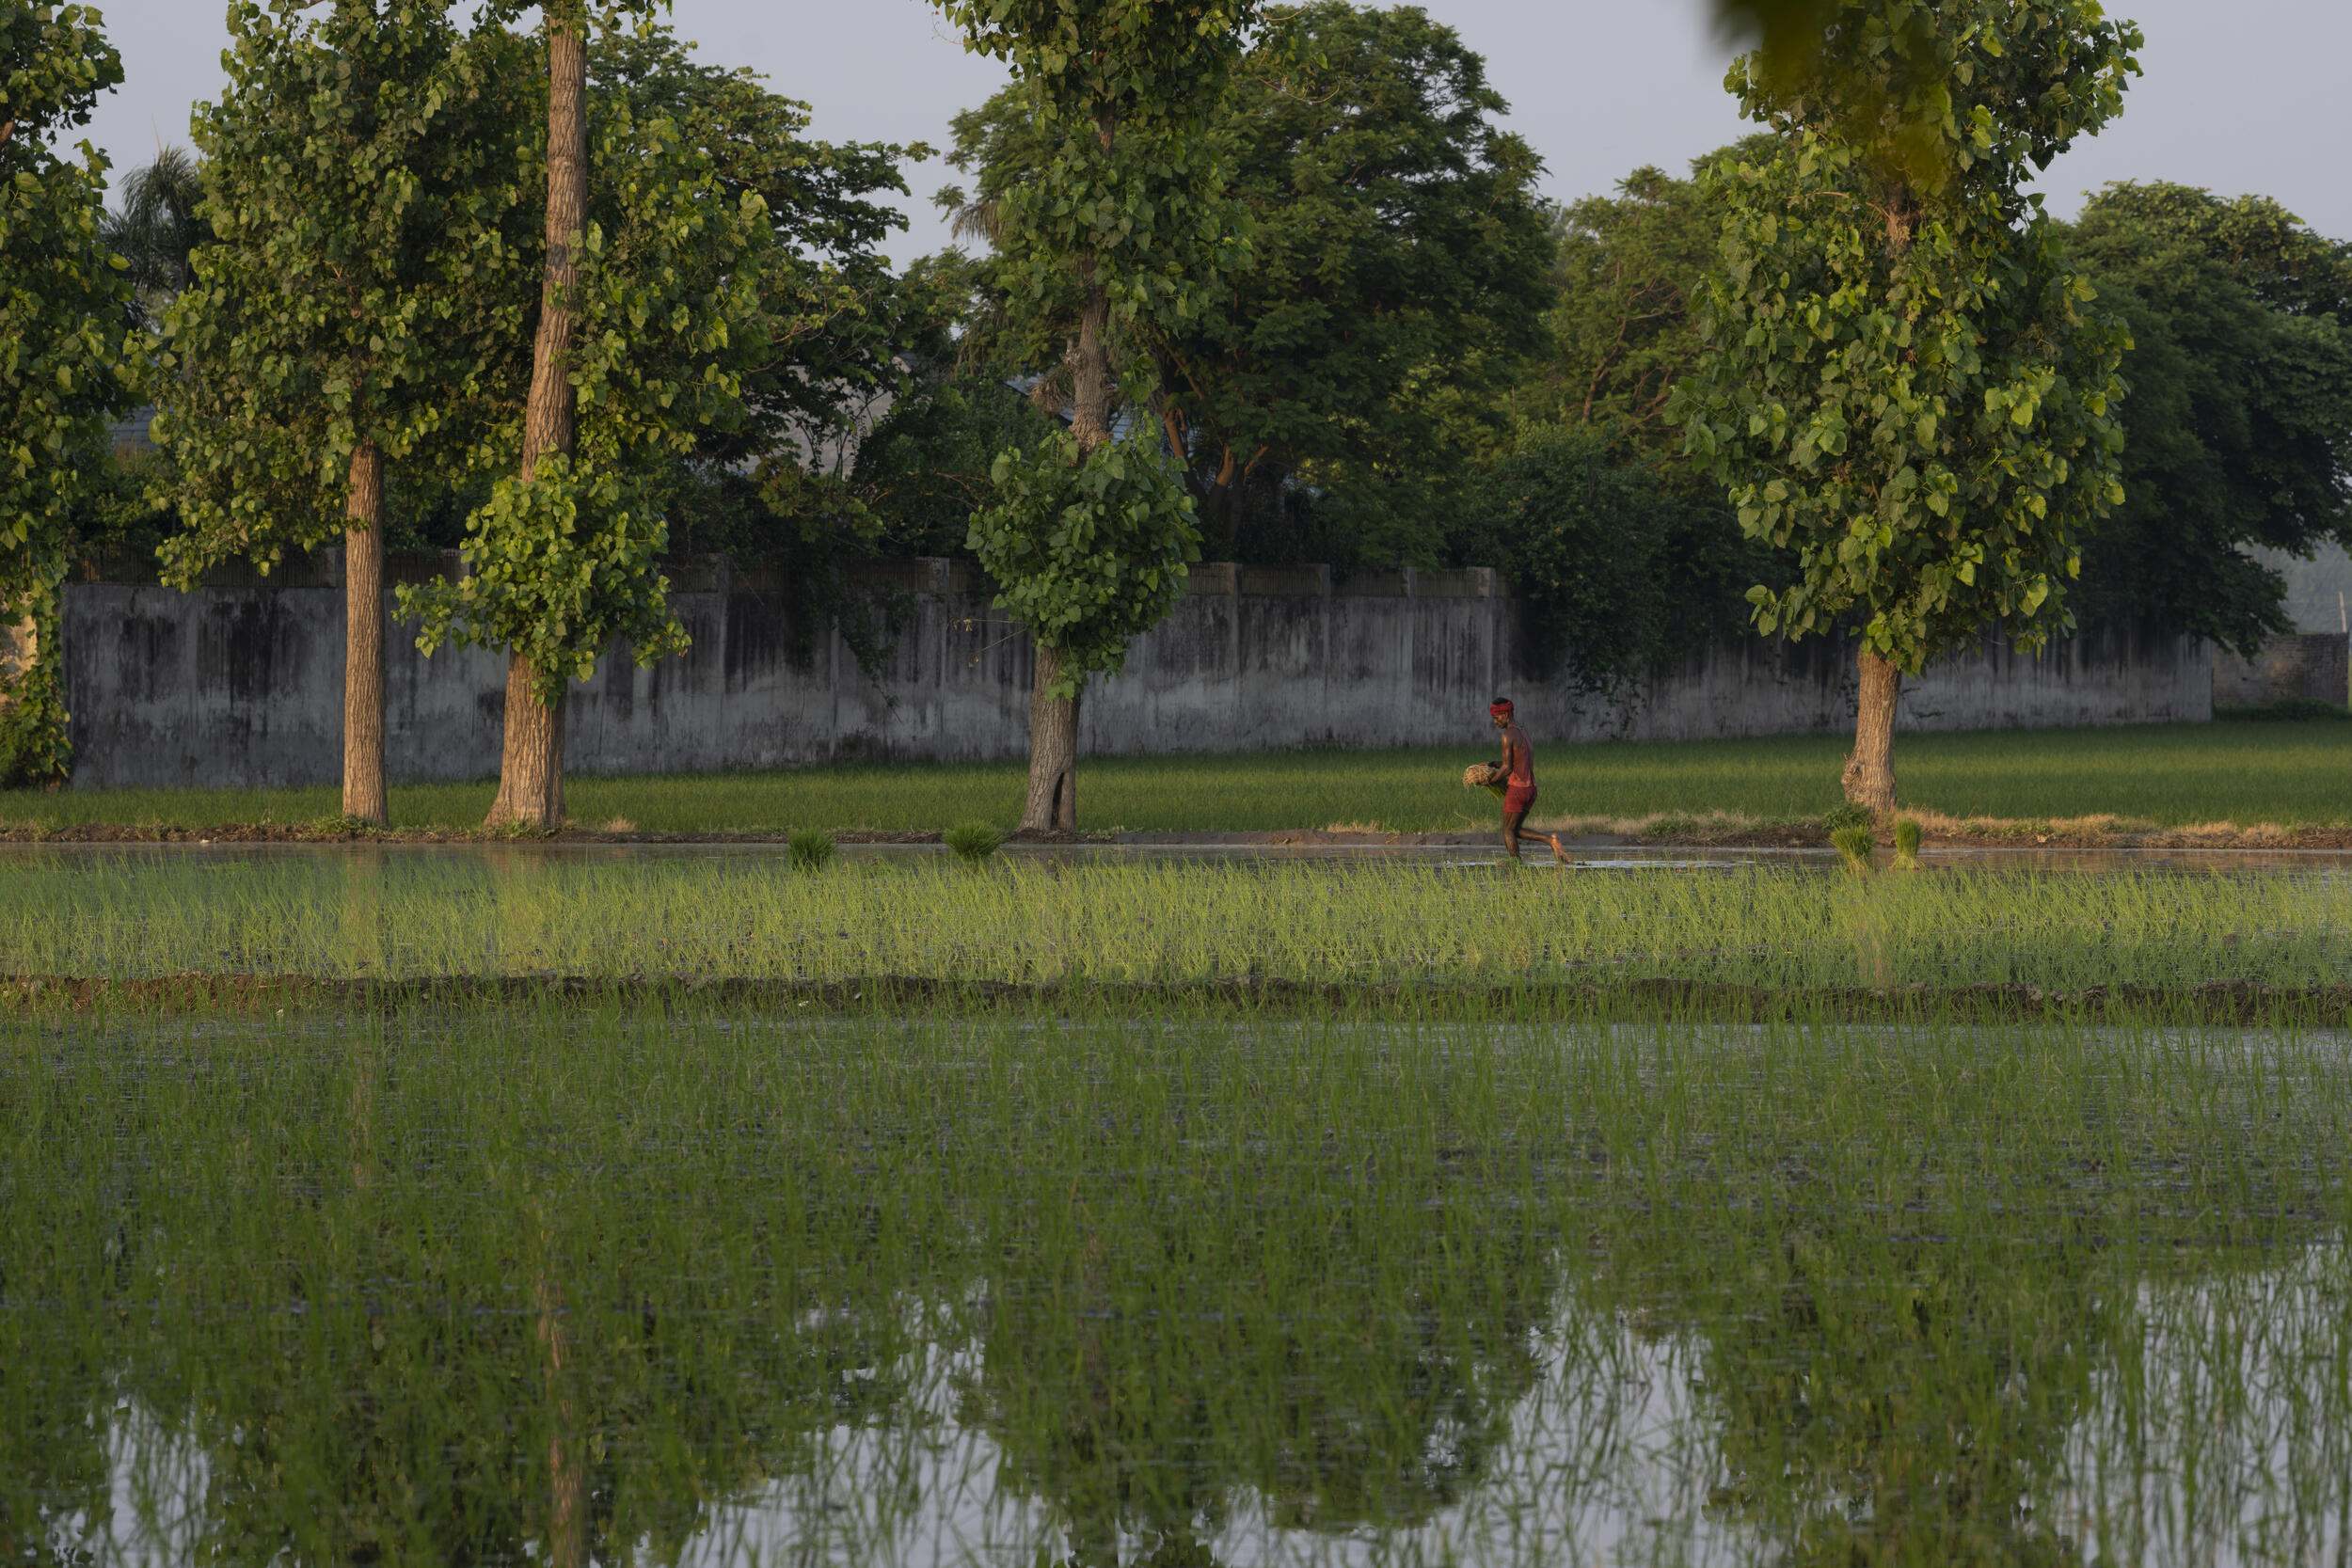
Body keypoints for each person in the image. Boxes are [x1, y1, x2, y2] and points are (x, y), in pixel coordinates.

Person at [1485, 697, 1560, 863]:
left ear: (1505, 714)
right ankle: (1551, 841)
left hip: (1518, 789)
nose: (1495, 722)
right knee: (1516, 829)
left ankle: (1516, 864)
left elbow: (1507, 768)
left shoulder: (1507, 735)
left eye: (1496, 718)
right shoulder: (1522, 731)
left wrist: (1489, 781)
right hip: (1531, 789)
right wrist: (1493, 764)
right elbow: (1517, 760)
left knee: (1507, 831)